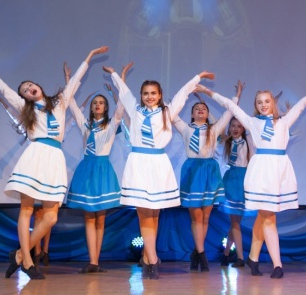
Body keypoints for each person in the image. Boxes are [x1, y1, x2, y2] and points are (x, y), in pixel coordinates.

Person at [0, 46, 108, 280]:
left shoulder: (60, 102)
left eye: (30, 85)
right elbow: (5, 90)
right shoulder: (27, 108)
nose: (28, 89)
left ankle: (19, 255)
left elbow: (75, 81)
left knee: (51, 217)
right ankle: (28, 260)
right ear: (25, 97)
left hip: (54, 159)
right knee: (26, 209)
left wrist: (90, 56)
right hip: (35, 156)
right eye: (24, 90)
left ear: (38, 86)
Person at [195, 84, 306, 278]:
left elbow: (303, 104)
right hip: (261, 172)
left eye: (267, 101)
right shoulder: (252, 122)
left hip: (279, 171)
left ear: (272, 103)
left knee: (264, 216)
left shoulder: (284, 121)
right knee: (268, 217)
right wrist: (208, 92)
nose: (263, 105)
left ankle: (253, 258)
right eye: (259, 102)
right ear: (255, 105)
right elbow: (230, 106)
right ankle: (277, 265)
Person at [103, 63, 214, 279]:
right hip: (138, 162)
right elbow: (124, 92)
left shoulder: (167, 112)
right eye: (145, 93)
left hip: (158, 164)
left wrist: (197, 77)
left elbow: (182, 94)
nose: (149, 97)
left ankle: (149, 258)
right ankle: (152, 260)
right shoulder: (135, 110)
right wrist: (115, 74)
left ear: (160, 95)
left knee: (153, 214)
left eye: (153, 93)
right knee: (144, 213)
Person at [65, 65, 131, 274]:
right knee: (88, 217)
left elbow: (121, 107)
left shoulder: (111, 125)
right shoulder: (85, 125)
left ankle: (96, 260)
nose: (98, 105)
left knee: (100, 218)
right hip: (87, 170)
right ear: (91, 108)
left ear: (106, 107)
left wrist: (121, 79)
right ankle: (92, 261)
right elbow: (71, 105)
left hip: (103, 171)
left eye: (101, 102)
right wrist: (69, 81)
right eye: (95, 103)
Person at [173, 81, 244, 271]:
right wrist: (186, 91)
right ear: (191, 113)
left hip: (210, 172)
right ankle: (202, 254)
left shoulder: (214, 129)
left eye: (203, 108)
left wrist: (236, 96)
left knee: (205, 217)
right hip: (192, 171)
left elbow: (229, 112)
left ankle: (197, 253)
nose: (200, 109)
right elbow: (171, 114)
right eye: (196, 108)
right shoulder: (185, 128)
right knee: (196, 217)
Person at [218, 117, 257, 268]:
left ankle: (226, 254)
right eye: (233, 126)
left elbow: (253, 125)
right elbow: (218, 126)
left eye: (239, 126)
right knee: (234, 222)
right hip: (231, 181)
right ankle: (240, 257)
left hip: (244, 180)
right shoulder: (227, 142)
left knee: (236, 223)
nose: (235, 129)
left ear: (243, 129)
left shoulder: (248, 141)